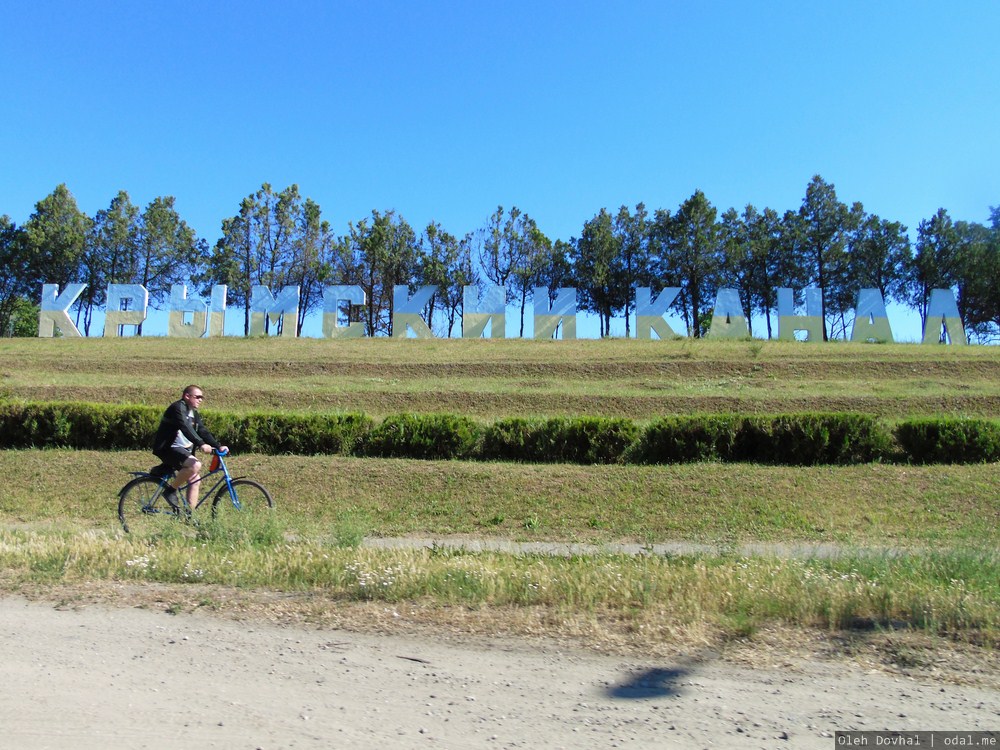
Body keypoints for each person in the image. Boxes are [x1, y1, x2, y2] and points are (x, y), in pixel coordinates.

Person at [152, 385, 228, 511]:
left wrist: (218, 446)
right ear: (187, 396)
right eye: (197, 397)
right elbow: (185, 427)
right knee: (195, 465)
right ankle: (170, 491)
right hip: (169, 448)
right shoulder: (177, 408)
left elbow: (202, 431)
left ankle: (189, 515)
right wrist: (201, 444)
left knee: (195, 480)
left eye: (202, 397)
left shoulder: (193, 413)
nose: (200, 400)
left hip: (182, 450)